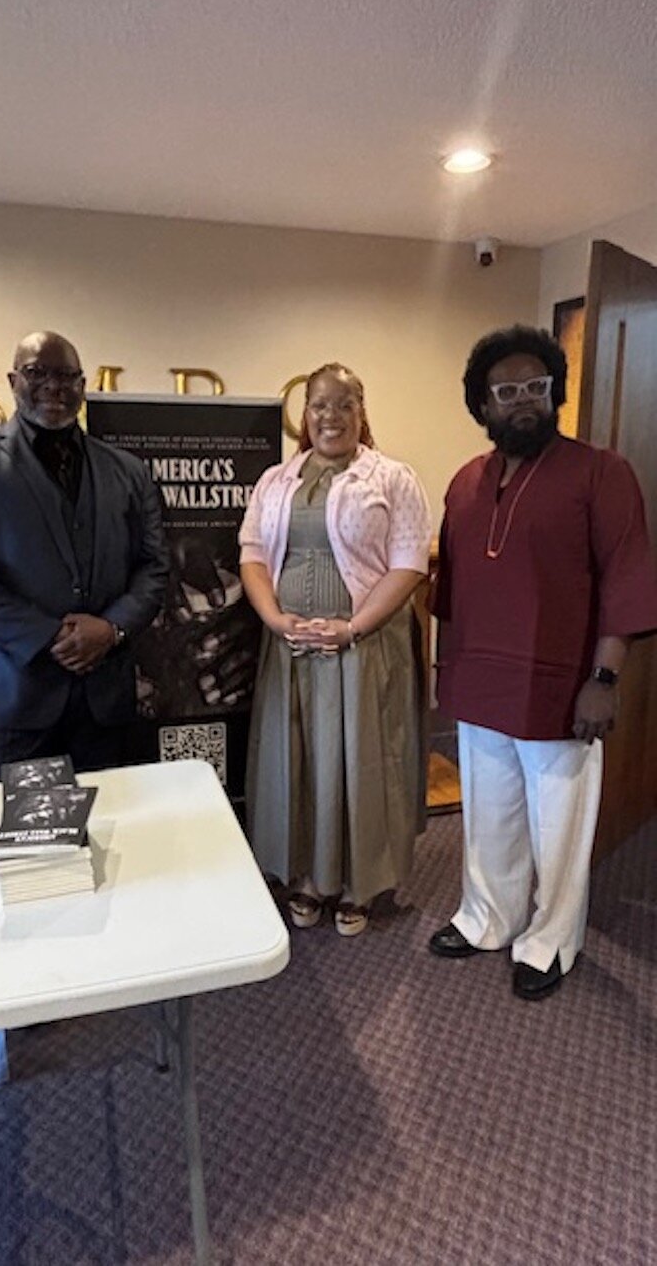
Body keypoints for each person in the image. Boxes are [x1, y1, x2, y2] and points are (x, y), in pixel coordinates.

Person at [428, 324, 657, 999]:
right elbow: (452, 589)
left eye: (537, 385)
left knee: (558, 825)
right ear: (482, 404)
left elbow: (626, 578)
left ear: (555, 391)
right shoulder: (465, 483)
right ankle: (487, 917)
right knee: (488, 813)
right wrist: (447, 672)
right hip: (480, 681)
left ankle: (551, 939)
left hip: (562, 687)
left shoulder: (601, 473)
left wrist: (604, 678)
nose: (524, 399)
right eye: (507, 391)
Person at [0, 330, 170, 782]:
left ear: (83, 385)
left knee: (111, 819)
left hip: (102, 699)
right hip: (6, 697)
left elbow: (154, 566)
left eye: (67, 376)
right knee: (14, 825)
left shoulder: (128, 471)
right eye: (37, 373)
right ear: (13, 380)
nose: (54, 386)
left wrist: (111, 629)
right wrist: (49, 636)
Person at [239, 362, 431, 936]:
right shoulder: (276, 480)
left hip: (365, 648)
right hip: (292, 650)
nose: (332, 416)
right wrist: (275, 619)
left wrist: (354, 627)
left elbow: (408, 565)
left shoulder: (392, 478)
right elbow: (252, 554)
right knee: (296, 760)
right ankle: (304, 877)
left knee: (362, 764)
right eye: (320, 404)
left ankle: (359, 886)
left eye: (345, 404)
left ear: (361, 411)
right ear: (305, 413)